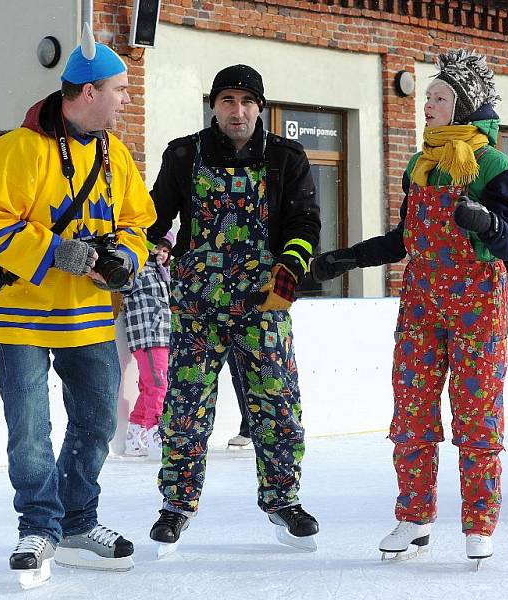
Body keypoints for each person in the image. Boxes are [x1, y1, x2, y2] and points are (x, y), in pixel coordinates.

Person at [311, 49, 508, 562]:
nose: (427, 104)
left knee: (476, 417)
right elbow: (405, 238)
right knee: (410, 413)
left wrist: (488, 224)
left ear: (464, 106)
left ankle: (478, 522)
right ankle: (414, 518)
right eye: (427, 97)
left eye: (440, 97)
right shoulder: (420, 164)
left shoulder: (493, 165)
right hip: (422, 307)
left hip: (477, 309)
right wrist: (346, 258)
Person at [0, 25, 156, 589]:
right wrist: (56, 251)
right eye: (120, 89)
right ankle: (39, 526)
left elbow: (138, 224)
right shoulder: (14, 149)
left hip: (90, 318)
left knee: (96, 424)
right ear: (88, 92)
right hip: (20, 318)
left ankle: (77, 523)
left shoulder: (115, 153)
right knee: (29, 431)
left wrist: (123, 257)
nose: (126, 99)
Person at [146, 64, 321, 551]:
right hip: (197, 307)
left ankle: (283, 499)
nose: (237, 110)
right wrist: (150, 244)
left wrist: (290, 268)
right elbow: (153, 218)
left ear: (260, 109)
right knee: (185, 408)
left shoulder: (286, 157)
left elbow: (305, 222)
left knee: (278, 407)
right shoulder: (184, 154)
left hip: (264, 305)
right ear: (214, 107)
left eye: (247, 102)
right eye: (227, 101)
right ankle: (176, 505)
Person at [123, 231, 174, 457]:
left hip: (163, 334)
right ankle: (157, 433)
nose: (161, 254)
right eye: (158, 248)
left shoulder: (164, 273)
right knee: (158, 385)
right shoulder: (139, 266)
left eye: (166, 250)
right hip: (148, 334)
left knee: (150, 385)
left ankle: (135, 435)